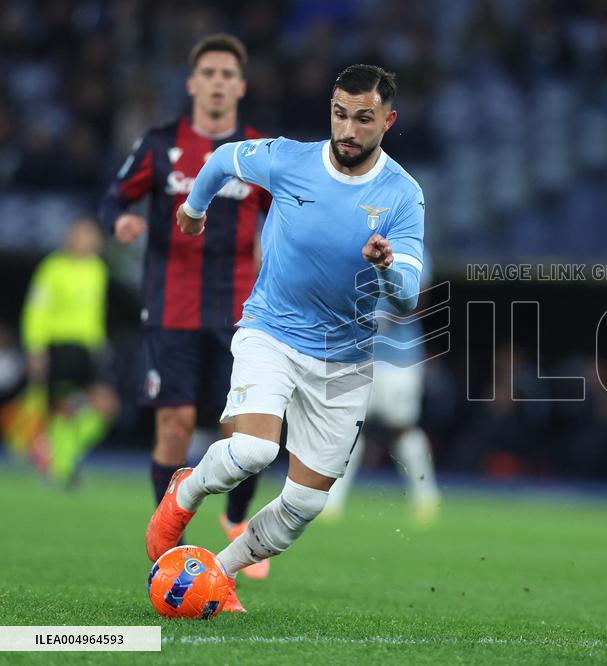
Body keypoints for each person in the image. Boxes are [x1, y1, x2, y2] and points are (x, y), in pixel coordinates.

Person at [145, 64, 424, 612]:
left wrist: (387, 266)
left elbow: (409, 296)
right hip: (270, 331)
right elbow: (224, 158)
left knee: (304, 504)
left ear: (387, 121)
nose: (348, 130)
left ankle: (215, 574)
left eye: (363, 119)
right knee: (252, 448)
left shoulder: (403, 195)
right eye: (339, 114)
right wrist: (195, 210)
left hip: (345, 360)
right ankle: (187, 490)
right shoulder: (291, 159)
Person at [98, 34, 271, 579]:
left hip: (241, 314)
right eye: (209, 73)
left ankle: (238, 520)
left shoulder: (259, 152)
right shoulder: (159, 144)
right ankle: (172, 547)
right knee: (175, 424)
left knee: (242, 434)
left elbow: (290, 212)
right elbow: (114, 197)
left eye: (228, 75)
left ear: (240, 87)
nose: (218, 83)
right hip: (170, 307)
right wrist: (120, 221)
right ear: (192, 83)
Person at [320, 261, 441, 526]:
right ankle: (332, 500)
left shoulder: (412, 244)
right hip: (356, 355)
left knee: (402, 427)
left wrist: (388, 318)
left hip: (400, 358)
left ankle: (426, 496)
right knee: (347, 426)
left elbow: (422, 297)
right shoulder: (353, 240)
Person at [20, 218, 119, 486]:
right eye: (82, 234)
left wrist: (100, 346)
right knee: (64, 408)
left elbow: (96, 313)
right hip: (59, 346)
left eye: (92, 236)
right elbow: (36, 310)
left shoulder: (97, 269)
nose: (88, 240)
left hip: (88, 349)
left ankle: (52, 450)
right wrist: (36, 348)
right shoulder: (53, 268)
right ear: (71, 237)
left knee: (106, 405)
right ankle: (60, 467)